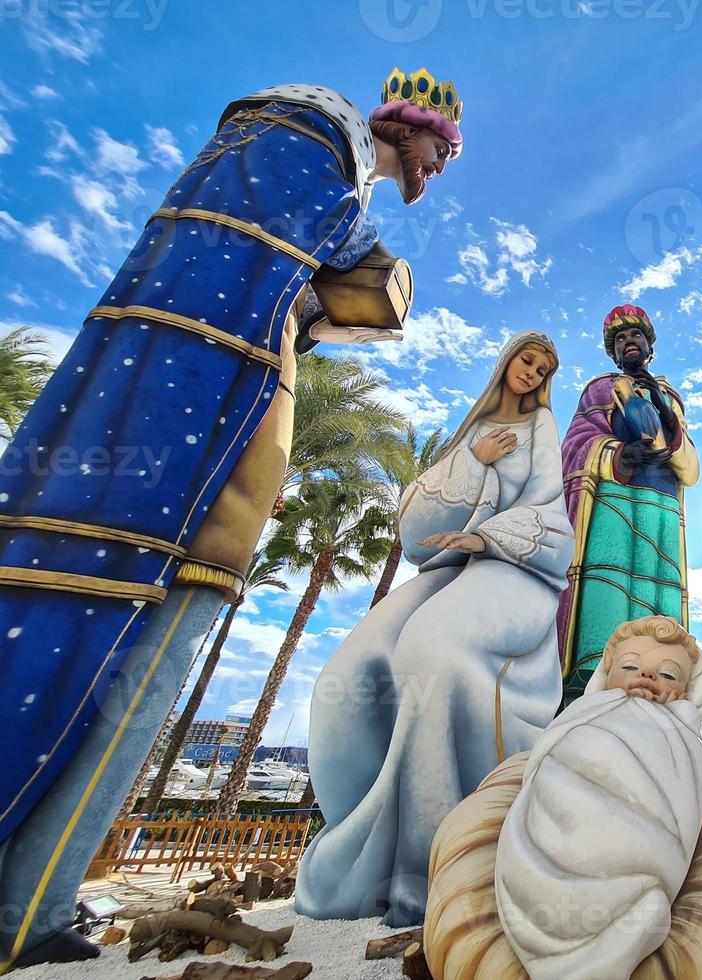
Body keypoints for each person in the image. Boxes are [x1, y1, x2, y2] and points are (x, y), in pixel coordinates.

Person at [0, 67, 461, 969]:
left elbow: (337, 287)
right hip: (193, 414)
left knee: (172, 622)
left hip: (228, 412)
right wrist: (361, 281)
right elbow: (357, 278)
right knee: (139, 617)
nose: (439, 170)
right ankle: (31, 906)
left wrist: (339, 295)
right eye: (442, 150)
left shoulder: (319, 178)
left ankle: (36, 900)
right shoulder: (302, 141)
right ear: (409, 130)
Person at [296, 332, 574, 929]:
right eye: (528, 361)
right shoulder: (472, 434)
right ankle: (369, 864)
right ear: (507, 362)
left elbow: (551, 511)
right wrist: (476, 462)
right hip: (452, 569)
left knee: (434, 649)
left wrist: (487, 537)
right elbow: (416, 526)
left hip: (515, 569)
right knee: (347, 673)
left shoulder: (542, 429)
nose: (533, 373)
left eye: (544, 369)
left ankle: (442, 867)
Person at [495, 616, 702, 980]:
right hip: (543, 850)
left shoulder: (679, 736)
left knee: (645, 910)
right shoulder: (582, 714)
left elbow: (686, 803)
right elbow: (538, 769)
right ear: (606, 674)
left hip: (635, 866)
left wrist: (680, 718)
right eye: (629, 666)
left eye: (669, 675)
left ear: (688, 692)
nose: (645, 676)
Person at [556, 305, 699, 703]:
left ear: (649, 346)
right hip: (615, 499)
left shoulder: (669, 395)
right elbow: (575, 443)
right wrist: (617, 455)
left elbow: (690, 465)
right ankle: (589, 688)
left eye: (635, 336)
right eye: (619, 339)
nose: (628, 343)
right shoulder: (600, 389)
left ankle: (661, 686)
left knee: (659, 599)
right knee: (609, 585)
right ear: (612, 352)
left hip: (664, 506)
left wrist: (666, 430)